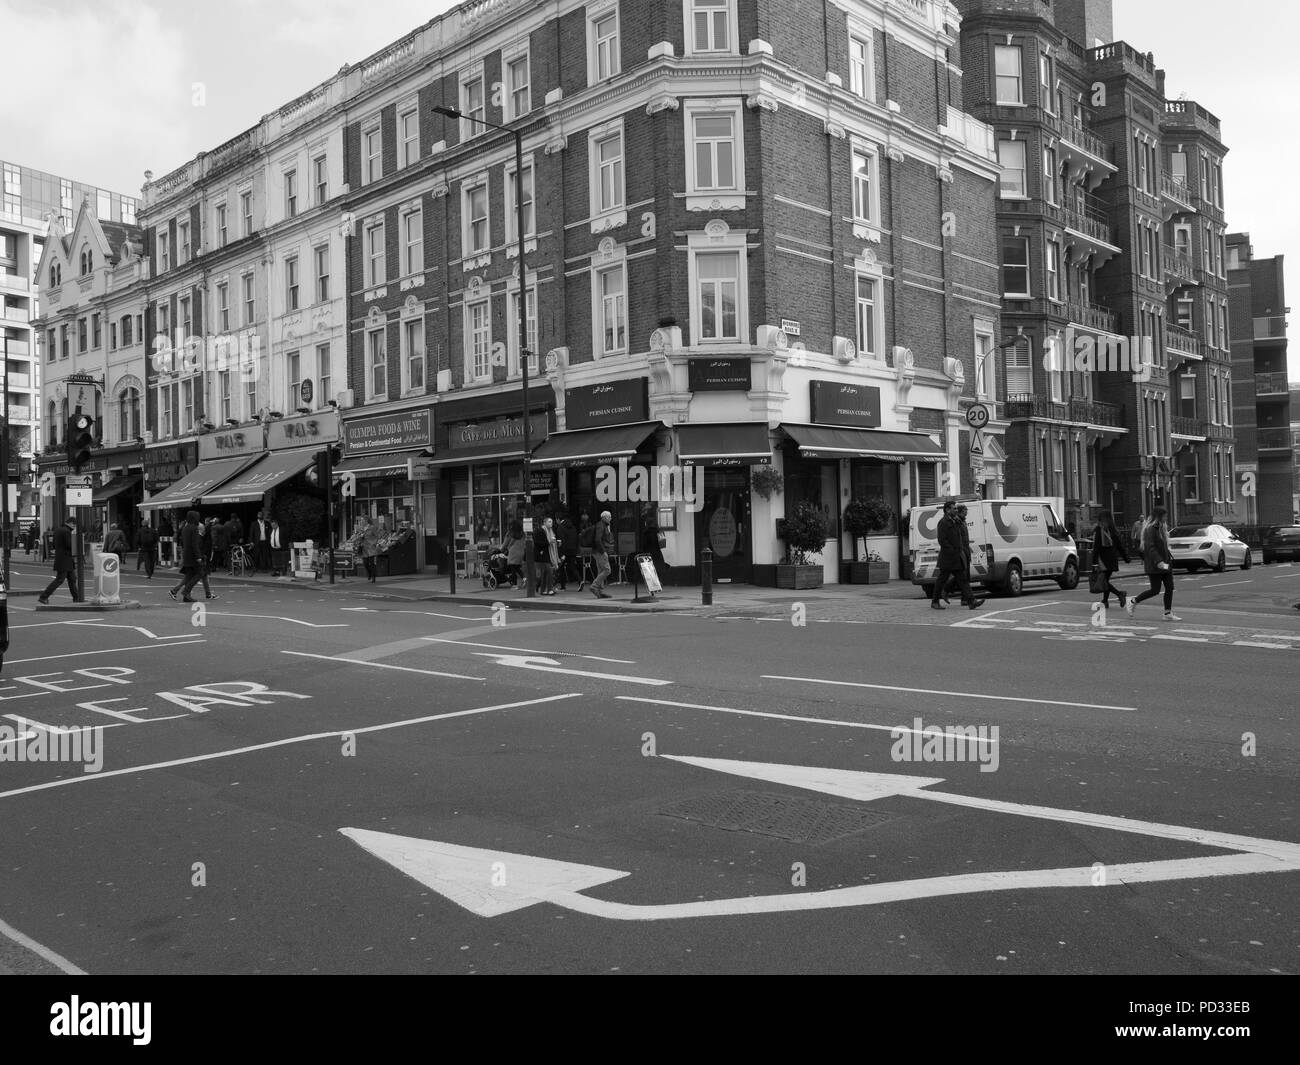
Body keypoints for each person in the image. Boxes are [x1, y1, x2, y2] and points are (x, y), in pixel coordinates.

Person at [1127, 505, 1179, 622]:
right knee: (1155, 590)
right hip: (1155, 564)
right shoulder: (1151, 529)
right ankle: (1133, 601)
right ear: (1158, 517)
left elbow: (1163, 547)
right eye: (1164, 516)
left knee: (1170, 587)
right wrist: (1158, 561)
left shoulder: (1162, 528)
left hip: (1165, 564)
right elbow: (1150, 547)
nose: (1166, 518)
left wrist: (1167, 561)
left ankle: (1167, 613)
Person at [932, 501, 982, 610]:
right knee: (941, 580)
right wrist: (952, 551)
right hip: (948, 558)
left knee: (963, 580)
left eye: (955, 508)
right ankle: (935, 601)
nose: (956, 510)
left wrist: (960, 552)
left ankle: (971, 601)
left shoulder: (956, 521)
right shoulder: (943, 523)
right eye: (953, 508)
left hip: (957, 557)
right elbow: (942, 540)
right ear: (947, 510)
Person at [1091, 509, 1130, 611]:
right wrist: (1126, 557)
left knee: (1104, 581)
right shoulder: (1113, 530)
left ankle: (1120, 594)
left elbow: (1096, 547)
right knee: (1105, 580)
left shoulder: (1100, 530)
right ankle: (1105, 601)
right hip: (1112, 560)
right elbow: (1120, 546)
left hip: (1103, 561)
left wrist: (1094, 562)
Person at [38, 517, 80, 605]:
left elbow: (53, 544)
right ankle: (44, 596)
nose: (74, 527)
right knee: (59, 580)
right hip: (65, 560)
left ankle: (76, 598)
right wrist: (77, 547)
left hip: (62, 559)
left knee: (72, 579)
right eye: (74, 525)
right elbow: (69, 545)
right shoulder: (66, 531)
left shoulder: (57, 530)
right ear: (70, 523)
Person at [169, 511, 205, 603]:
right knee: (200, 573)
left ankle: (185, 596)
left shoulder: (185, 528)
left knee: (189, 575)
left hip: (186, 554)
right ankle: (186, 592)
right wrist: (198, 557)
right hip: (193, 555)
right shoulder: (194, 528)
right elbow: (194, 544)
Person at [590, 509, 614, 599]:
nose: (611, 519)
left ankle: (600, 592)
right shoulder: (601, 525)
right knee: (607, 570)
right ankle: (594, 586)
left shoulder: (603, 525)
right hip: (600, 552)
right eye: (610, 517)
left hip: (597, 551)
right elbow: (598, 540)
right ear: (605, 517)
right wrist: (603, 551)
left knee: (601, 570)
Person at [537, 516, 559, 595]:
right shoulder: (541, 531)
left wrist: (555, 543)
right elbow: (540, 543)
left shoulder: (551, 531)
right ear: (544, 523)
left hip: (548, 554)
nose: (551, 523)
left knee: (545, 573)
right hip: (543, 554)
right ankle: (549, 589)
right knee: (549, 571)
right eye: (549, 522)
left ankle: (542, 590)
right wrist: (550, 542)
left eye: (551, 522)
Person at [502, 519, 526, 589]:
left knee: (513, 569)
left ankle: (515, 585)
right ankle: (524, 578)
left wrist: (500, 550)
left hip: (513, 553)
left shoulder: (510, 533)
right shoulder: (522, 533)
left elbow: (505, 544)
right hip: (521, 552)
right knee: (517, 568)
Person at [557, 515, 577, 591]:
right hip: (573, 550)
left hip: (564, 551)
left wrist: (561, 552)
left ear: (558, 519)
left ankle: (562, 586)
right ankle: (580, 580)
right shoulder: (573, 527)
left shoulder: (560, 527)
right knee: (572, 566)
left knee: (560, 567)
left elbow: (561, 540)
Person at [357, 515, 379, 583]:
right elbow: (359, 537)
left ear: (366, 521)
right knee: (365, 563)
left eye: (362, 520)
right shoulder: (361, 528)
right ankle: (369, 573)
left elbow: (376, 536)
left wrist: (373, 543)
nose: (361, 522)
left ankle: (373, 577)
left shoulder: (372, 527)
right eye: (361, 520)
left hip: (371, 548)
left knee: (372, 563)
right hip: (364, 548)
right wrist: (360, 537)